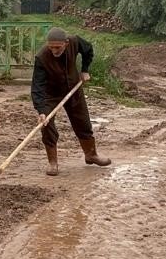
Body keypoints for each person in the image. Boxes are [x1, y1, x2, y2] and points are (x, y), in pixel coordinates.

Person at [31, 27, 111, 175]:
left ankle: (91, 155)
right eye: (51, 47)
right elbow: (37, 86)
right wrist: (41, 110)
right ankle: (53, 162)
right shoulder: (42, 58)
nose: (54, 50)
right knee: (46, 123)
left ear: (66, 43)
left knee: (83, 121)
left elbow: (88, 50)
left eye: (57, 47)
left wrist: (85, 69)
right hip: (51, 94)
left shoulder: (75, 41)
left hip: (73, 88)